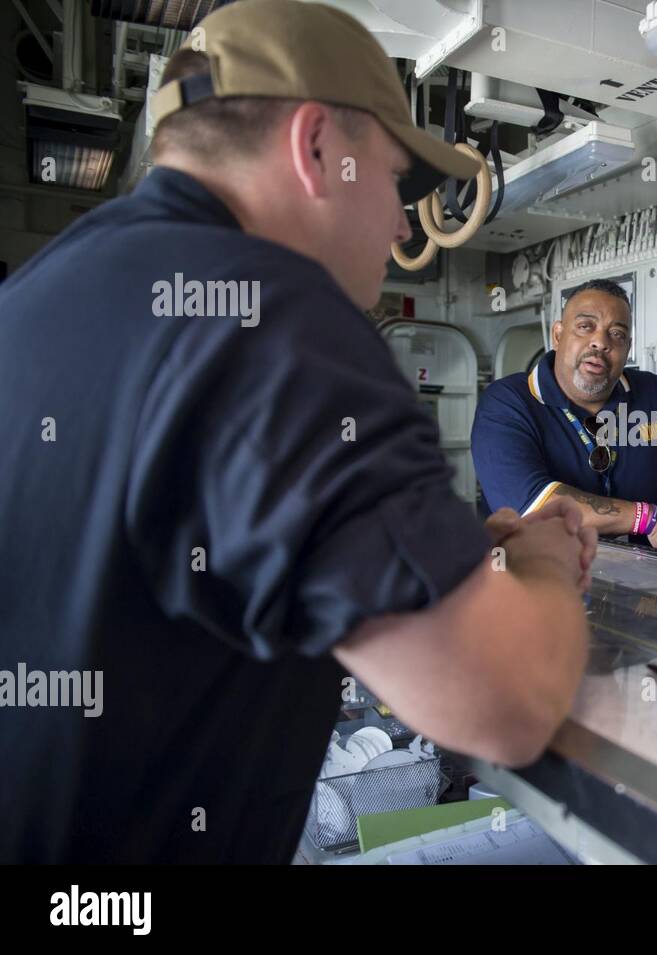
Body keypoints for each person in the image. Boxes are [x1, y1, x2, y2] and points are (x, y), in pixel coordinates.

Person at [0, 0, 594, 863]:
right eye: (394, 180)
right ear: (316, 149)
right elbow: (506, 701)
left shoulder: (40, 294)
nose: (399, 227)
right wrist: (542, 564)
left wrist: (459, 559)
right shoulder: (278, 319)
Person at [471, 278, 657, 553]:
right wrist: (647, 519)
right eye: (586, 326)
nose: (601, 342)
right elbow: (535, 509)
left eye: (617, 334)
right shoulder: (507, 404)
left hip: (632, 594)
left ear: (627, 349)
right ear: (558, 335)